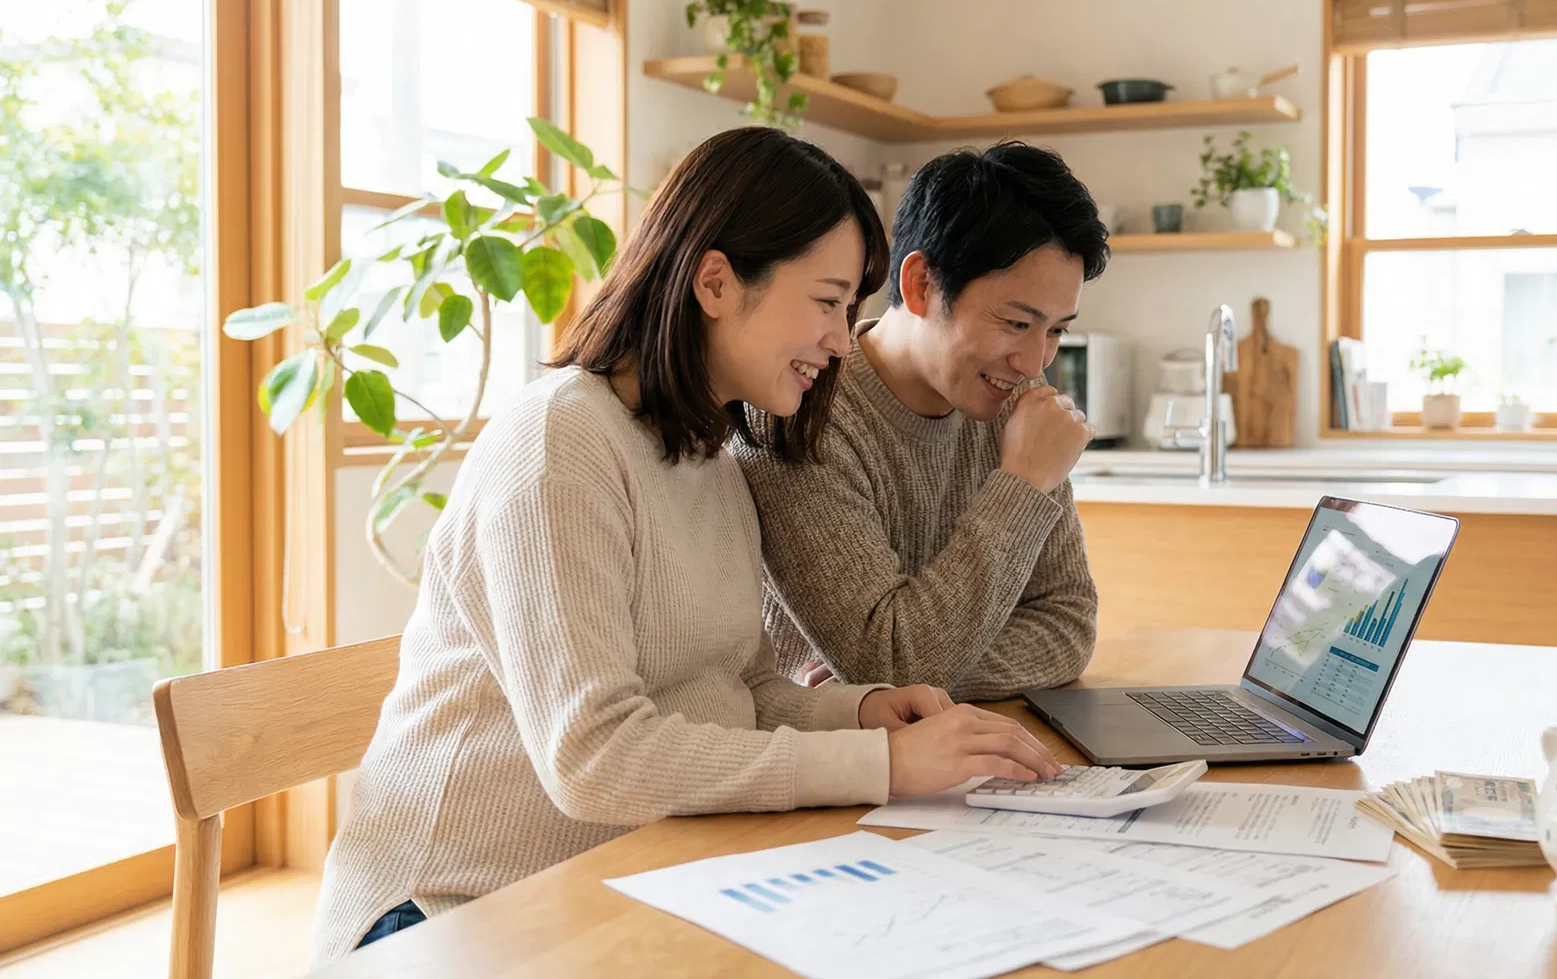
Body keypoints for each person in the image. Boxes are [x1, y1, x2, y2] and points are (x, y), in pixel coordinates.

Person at [309, 127, 1061, 965]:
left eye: (849, 312)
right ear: (715, 281)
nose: (843, 341)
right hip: (451, 909)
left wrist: (854, 710)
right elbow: (594, 757)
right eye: (825, 303)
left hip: (629, 873)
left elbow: (728, 689)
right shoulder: (560, 439)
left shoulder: (706, 451)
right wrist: (879, 762)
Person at [734, 141, 1108, 704]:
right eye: (1015, 323)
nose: (1035, 364)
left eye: (1055, 331)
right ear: (920, 285)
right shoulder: (800, 413)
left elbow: (1068, 624)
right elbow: (890, 659)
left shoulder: (1013, 401)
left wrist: (912, 683)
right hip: (827, 771)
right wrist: (1021, 485)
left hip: (940, 745)